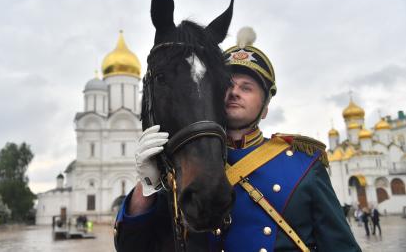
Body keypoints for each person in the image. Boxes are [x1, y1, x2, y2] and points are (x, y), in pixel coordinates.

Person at [114, 27, 361, 251]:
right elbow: (134, 247)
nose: (234, 92)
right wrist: (147, 185)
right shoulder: (183, 166)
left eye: (247, 87)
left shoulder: (304, 165)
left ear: (264, 108)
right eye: (227, 85)